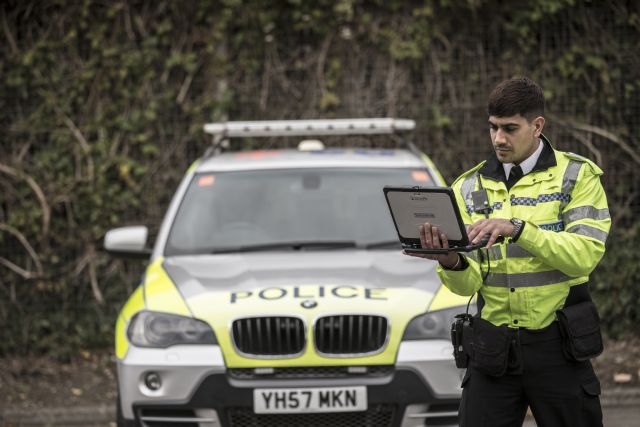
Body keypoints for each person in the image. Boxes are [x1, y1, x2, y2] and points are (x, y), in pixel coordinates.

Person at [406, 77, 610, 427]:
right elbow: (469, 284)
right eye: (493, 128)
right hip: (492, 350)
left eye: (510, 128)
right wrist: (450, 260)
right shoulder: (467, 187)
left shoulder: (576, 177)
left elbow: (585, 254)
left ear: (537, 126)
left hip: (559, 347)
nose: (499, 138)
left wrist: (518, 230)